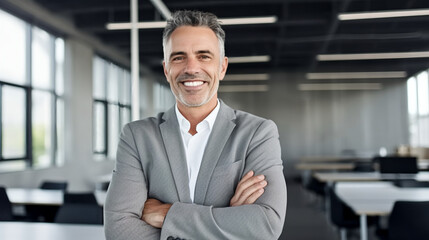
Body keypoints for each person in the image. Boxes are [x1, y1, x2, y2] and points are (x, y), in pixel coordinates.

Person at [104, 10, 287, 240]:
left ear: (222, 67)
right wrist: (228, 219)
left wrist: (168, 214)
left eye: (204, 56)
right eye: (179, 57)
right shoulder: (137, 137)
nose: (191, 68)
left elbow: (266, 225)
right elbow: (118, 229)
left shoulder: (258, 133)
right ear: (166, 69)